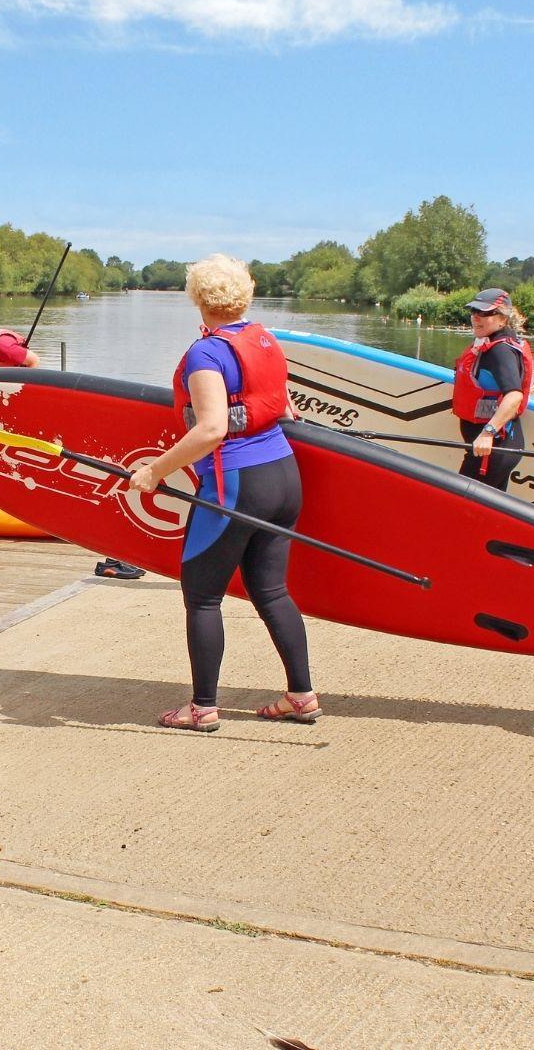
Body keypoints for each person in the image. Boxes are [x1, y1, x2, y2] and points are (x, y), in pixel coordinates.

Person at [127, 254, 315, 733]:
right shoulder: (264, 340)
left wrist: (155, 470)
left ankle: (202, 708)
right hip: (283, 476)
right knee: (271, 590)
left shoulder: (205, 354)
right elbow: (284, 409)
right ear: (245, 294)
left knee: (203, 596)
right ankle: (301, 695)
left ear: (198, 299)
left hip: (236, 485)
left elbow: (211, 428)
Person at [453, 288, 533, 492]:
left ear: (503, 319)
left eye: (485, 313)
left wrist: (488, 433)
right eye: (474, 312)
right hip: (498, 448)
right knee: (482, 515)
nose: (476, 318)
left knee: (460, 507)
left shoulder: (500, 350)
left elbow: (514, 396)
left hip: (493, 449)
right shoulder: (494, 342)